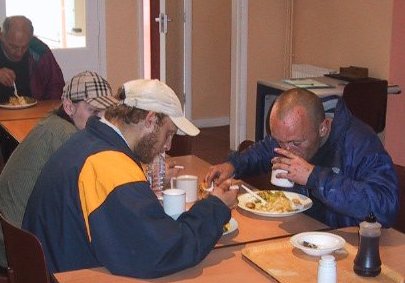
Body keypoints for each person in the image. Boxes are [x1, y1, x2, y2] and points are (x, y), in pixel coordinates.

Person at [22, 79, 238, 278]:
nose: (168, 146)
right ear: (150, 120)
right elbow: (162, 252)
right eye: (168, 134)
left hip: (58, 265)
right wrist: (216, 206)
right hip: (71, 273)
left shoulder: (87, 142)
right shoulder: (108, 164)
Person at [206, 88, 399, 228]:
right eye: (280, 142)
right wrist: (233, 164)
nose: (285, 149)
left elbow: (386, 207)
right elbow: (265, 150)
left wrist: (314, 177)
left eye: (295, 144)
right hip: (300, 229)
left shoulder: (360, 143)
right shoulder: (291, 136)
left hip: (346, 240)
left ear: (323, 128)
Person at [0, 70, 118, 268]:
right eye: (93, 111)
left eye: (106, 111)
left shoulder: (53, 123)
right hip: (21, 248)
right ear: (69, 106)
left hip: (11, 235)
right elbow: (104, 182)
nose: (102, 119)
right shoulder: (66, 136)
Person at [0, 15, 64, 103]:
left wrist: (46, 111)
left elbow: (56, 86)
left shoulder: (40, 51)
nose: (19, 53)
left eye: (24, 47)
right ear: (2, 36)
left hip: (34, 110)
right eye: (13, 47)